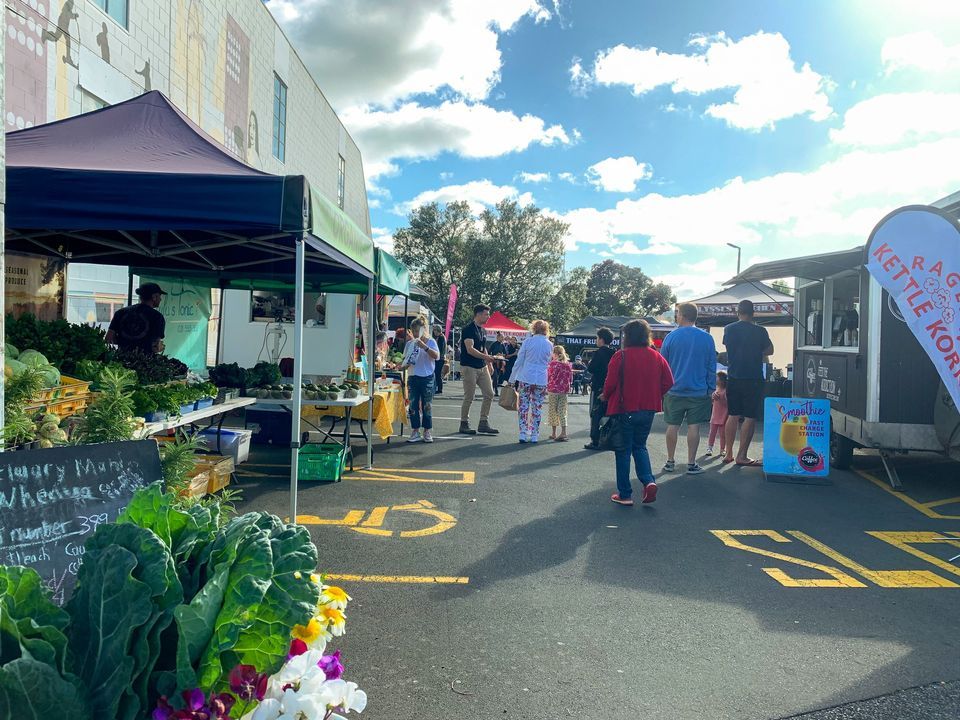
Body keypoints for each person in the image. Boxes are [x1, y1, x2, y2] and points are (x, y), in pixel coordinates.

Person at [604, 319, 675, 506]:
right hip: (649, 408)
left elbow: (610, 383)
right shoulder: (656, 356)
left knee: (623, 450)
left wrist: (604, 396)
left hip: (625, 408)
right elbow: (669, 381)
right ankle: (648, 481)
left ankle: (625, 494)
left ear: (627, 336)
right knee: (640, 446)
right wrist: (655, 394)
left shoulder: (621, 356)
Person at [660, 303, 717, 475]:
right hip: (698, 390)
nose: (676, 316)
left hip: (674, 390)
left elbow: (663, 365)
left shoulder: (671, 337)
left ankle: (670, 461)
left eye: (677, 313)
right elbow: (711, 365)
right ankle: (691, 463)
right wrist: (710, 388)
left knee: (672, 426)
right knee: (694, 427)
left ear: (682, 316)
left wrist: (663, 388)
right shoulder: (707, 338)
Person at [723, 299, 774, 467]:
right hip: (753, 377)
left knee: (733, 414)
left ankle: (728, 452)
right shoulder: (760, 331)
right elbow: (770, 350)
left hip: (734, 376)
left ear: (738, 312)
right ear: (753, 313)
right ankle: (742, 455)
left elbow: (728, 347)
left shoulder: (729, 329)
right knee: (750, 417)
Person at [459, 304, 502, 435]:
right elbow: (470, 349)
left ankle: (483, 422)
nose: (488, 316)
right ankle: (464, 423)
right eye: (486, 314)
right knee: (469, 396)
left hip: (482, 366)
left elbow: (483, 348)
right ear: (478, 314)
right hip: (469, 366)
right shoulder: (468, 329)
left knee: (490, 393)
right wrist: (487, 358)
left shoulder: (483, 330)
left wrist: (488, 363)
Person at [509, 320, 554, 443]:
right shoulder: (549, 344)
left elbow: (519, 361)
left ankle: (523, 433)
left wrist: (512, 379)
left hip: (526, 377)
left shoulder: (528, 342)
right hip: (541, 378)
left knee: (523, 407)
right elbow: (549, 362)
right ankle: (534, 434)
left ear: (533, 329)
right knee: (537, 408)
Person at [400, 317, 440, 444]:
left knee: (426, 406)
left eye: (418, 331)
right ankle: (415, 430)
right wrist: (403, 365)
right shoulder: (409, 344)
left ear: (424, 329)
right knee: (412, 405)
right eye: (414, 331)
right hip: (413, 376)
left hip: (427, 377)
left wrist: (425, 347)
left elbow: (437, 357)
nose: (416, 334)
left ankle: (427, 430)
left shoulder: (431, 341)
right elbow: (404, 360)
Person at [106, 282, 167, 354]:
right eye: (159, 296)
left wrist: (125, 341)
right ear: (154, 297)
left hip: (121, 359)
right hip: (145, 362)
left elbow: (109, 339)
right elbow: (156, 346)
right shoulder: (157, 317)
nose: (160, 299)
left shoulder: (120, 313)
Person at [584, 328, 616, 450]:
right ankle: (608, 436)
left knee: (595, 413)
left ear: (601, 339)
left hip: (598, 386)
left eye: (597, 338)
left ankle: (595, 440)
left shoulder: (599, 353)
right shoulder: (614, 353)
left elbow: (591, 368)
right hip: (611, 387)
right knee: (609, 412)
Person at [547, 345, 573, 441]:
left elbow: (549, 376)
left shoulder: (553, 364)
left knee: (553, 411)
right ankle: (564, 432)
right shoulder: (568, 364)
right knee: (562, 411)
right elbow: (570, 378)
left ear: (555, 354)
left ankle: (554, 433)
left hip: (553, 390)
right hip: (564, 390)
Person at [707, 371, 729, 457]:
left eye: (717, 378)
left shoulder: (726, 391)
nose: (716, 380)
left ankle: (722, 449)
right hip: (714, 415)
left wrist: (721, 398)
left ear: (722, 380)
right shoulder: (716, 389)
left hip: (723, 416)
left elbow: (727, 404)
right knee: (712, 432)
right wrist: (713, 396)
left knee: (723, 434)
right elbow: (713, 400)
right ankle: (709, 447)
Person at [489, 332, 507, 397]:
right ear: (498, 337)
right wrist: (494, 356)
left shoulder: (502, 345)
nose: (503, 338)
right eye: (501, 337)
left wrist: (501, 355)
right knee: (495, 377)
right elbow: (489, 352)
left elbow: (505, 354)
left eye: (503, 337)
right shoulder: (493, 344)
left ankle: (492, 390)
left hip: (500, 363)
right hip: (494, 362)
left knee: (497, 378)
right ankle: (495, 391)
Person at [431, 325, 447, 395]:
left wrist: (437, 357)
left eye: (434, 330)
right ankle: (438, 388)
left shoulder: (441, 338)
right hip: (441, 358)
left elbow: (440, 349)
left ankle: (439, 389)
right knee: (437, 374)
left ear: (438, 330)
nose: (434, 332)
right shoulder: (442, 337)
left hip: (440, 359)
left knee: (437, 374)